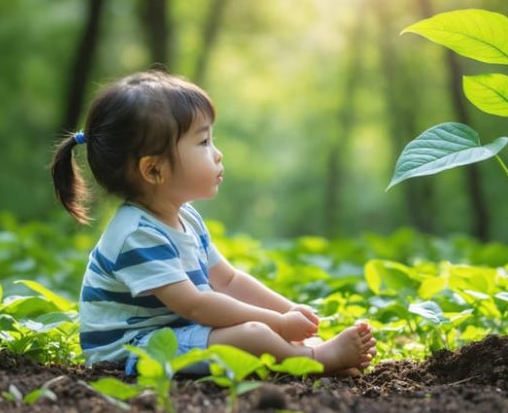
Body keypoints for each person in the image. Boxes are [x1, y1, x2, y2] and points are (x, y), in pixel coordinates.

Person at [50, 70, 376, 375]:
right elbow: (196, 306)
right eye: (203, 142)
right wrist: (278, 323)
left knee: (257, 330)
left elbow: (229, 281)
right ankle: (316, 360)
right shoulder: (136, 236)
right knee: (254, 335)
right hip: (134, 352)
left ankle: (302, 350)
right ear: (154, 170)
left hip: (174, 334)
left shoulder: (186, 216)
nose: (217, 154)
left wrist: (290, 310)